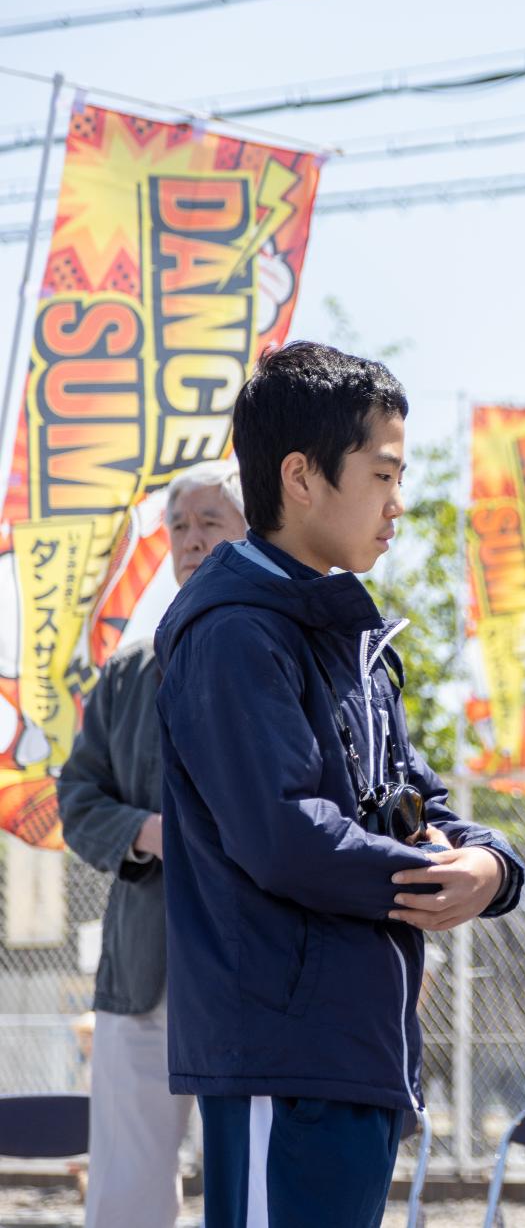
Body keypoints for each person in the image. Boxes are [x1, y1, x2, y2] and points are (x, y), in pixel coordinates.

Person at [154, 342, 525, 1228]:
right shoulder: (237, 633)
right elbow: (286, 833)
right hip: (280, 1054)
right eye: (382, 474)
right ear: (301, 477)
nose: (399, 505)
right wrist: (426, 876)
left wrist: (490, 868)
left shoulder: (343, 631)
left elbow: (417, 800)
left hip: (351, 1047)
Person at [56, 459, 246, 1228]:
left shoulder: (288, 652)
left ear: (250, 530)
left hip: (250, 969)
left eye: (212, 521)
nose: (194, 538)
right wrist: (146, 832)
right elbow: (78, 796)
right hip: (143, 970)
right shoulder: (128, 673)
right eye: (181, 526)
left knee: (251, 1188)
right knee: (127, 1192)